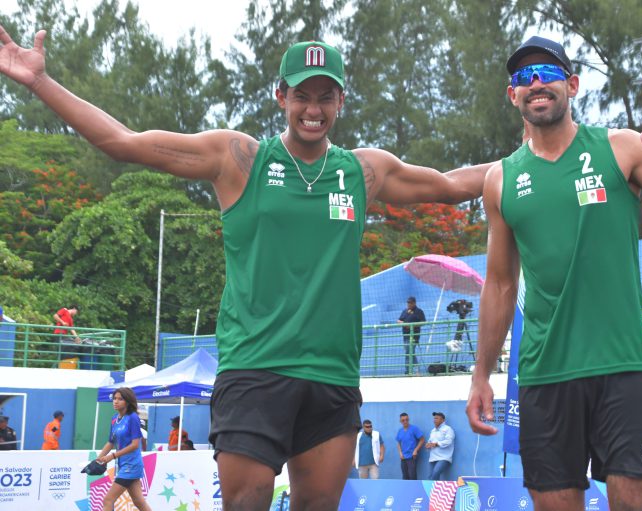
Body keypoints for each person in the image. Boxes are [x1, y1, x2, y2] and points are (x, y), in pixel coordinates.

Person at [0, 28, 491, 511]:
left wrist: (535, 159)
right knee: (246, 503)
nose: (313, 109)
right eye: (302, 95)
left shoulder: (363, 171)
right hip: (255, 368)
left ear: (341, 100)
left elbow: (449, 185)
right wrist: (40, 82)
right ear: (280, 95)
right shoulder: (239, 159)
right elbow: (123, 141)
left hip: (332, 373)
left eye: (326, 96)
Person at [466, 36, 642, 511]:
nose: (536, 83)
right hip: (545, 376)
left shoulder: (620, 148)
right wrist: (481, 374)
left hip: (622, 368)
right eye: (524, 78)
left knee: (634, 503)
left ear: (572, 84)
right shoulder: (500, 179)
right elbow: (501, 283)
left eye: (548, 73)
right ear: (513, 95)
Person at [96, 387, 152, 511]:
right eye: (114, 398)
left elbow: (135, 445)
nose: (115, 401)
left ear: (127, 401)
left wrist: (112, 456)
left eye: (120, 399)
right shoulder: (114, 419)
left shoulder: (132, 417)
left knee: (108, 499)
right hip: (124, 465)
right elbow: (110, 442)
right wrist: (98, 459)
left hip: (131, 465)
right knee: (139, 501)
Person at [398, 297, 426, 375]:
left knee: (409, 352)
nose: (408, 304)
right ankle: (416, 370)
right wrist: (403, 324)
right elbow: (399, 320)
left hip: (414, 335)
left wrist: (412, 326)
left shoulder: (419, 311)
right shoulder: (405, 311)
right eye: (408, 303)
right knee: (410, 352)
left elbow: (423, 322)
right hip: (405, 335)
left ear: (414, 303)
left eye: (410, 303)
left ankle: (408, 371)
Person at [425, 411, 454, 480]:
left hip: (444, 458)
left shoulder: (448, 429)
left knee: (435, 473)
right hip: (433, 458)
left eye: (437, 418)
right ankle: (433, 490)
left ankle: (435, 490)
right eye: (434, 418)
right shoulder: (433, 431)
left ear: (443, 420)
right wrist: (428, 445)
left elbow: (448, 441)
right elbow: (430, 441)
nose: (434, 420)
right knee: (430, 477)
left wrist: (436, 444)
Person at [395, 412, 424, 480]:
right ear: (400, 421)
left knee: (412, 476)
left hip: (412, 456)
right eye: (403, 420)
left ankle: (414, 490)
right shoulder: (400, 431)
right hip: (403, 457)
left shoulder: (414, 428)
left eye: (407, 419)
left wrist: (416, 450)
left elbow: (422, 440)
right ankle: (405, 490)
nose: (405, 421)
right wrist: (400, 453)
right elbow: (398, 443)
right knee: (405, 476)